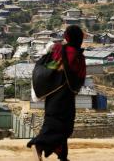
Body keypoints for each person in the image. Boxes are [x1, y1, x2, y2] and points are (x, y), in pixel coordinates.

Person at [27, 25, 86, 161]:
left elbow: (48, 65)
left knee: (55, 124)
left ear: (67, 37)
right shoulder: (78, 55)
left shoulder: (59, 49)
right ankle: (38, 145)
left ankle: (62, 156)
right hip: (66, 96)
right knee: (62, 126)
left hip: (53, 94)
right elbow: (80, 78)